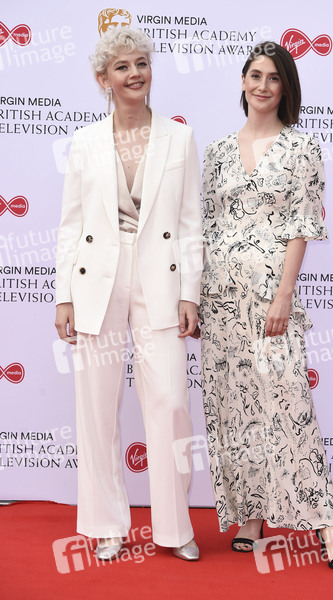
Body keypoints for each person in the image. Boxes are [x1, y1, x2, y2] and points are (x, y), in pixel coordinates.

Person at [200, 41, 333, 572]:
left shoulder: (302, 147)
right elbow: (208, 228)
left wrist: (284, 295)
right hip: (221, 298)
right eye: (255, 75)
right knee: (235, 409)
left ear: (285, 87)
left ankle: (329, 529)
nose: (262, 86)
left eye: (273, 78)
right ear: (242, 82)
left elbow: (302, 225)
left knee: (290, 406)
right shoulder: (218, 150)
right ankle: (251, 516)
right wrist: (196, 297)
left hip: (270, 295)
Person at [55, 27, 202, 562]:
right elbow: (71, 224)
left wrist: (190, 293)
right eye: (122, 66)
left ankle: (175, 527)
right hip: (97, 275)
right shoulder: (84, 142)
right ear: (104, 79)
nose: (135, 73)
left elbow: (190, 224)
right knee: (96, 404)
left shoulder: (179, 137)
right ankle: (106, 523)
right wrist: (64, 295)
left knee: (170, 402)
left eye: (141, 63)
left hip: (160, 276)